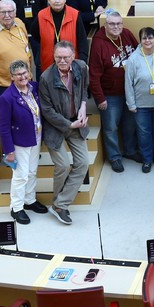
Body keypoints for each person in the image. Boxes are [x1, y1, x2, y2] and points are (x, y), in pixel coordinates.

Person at [39, 41, 90, 225]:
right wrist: (70, 124)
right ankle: (60, 205)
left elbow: (84, 89)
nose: (62, 60)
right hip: (57, 127)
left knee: (83, 163)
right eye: (58, 57)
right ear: (53, 56)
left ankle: (60, 204)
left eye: (66, 57)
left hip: (77, 122)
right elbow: (47, 111)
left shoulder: (82, 67)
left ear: (73, 56)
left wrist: (83, 106)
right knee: (62, 165)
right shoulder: (45, 78)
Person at [88, 11, 139, 173]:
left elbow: (139, 55)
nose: (116, 27)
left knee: (130, 124)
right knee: (111, 127)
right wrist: (100, 98)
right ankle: (115, 157)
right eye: (112, 24)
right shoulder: (98, 43)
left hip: (130, 91)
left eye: (119, 23)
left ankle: (130, 151)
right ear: (105, 25)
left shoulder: (128, 34)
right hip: (110, 94)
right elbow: (94, 75)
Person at [0, 60, 47, 225]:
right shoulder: (6, 97)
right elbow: (3, 127)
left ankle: (30, 200)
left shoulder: (34, 87)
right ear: (11, 77)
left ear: (29, 73)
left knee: (32, 172)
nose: (22, 76)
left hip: (36, 138)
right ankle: (16, 208)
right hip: (20, 142)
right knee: (21, 176)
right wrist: (9, 151)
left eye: (24, 72)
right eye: (18, 74)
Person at [125, 27, 154, 173]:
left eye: (150, 38)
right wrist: (131, 103)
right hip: (141, 105)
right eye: (144, 38)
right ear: (140, 40)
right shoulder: (133, 58)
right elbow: (128, 83)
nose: (147, 41)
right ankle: (147, 160)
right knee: (144, 133)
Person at [30, 0, 88, 78]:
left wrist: (81, 62)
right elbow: (34, 35)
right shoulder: (41, 15)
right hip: (48, 62)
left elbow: (82, 40)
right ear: (48, 0)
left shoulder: (75, 14)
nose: (57, 1)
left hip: (70, 62)